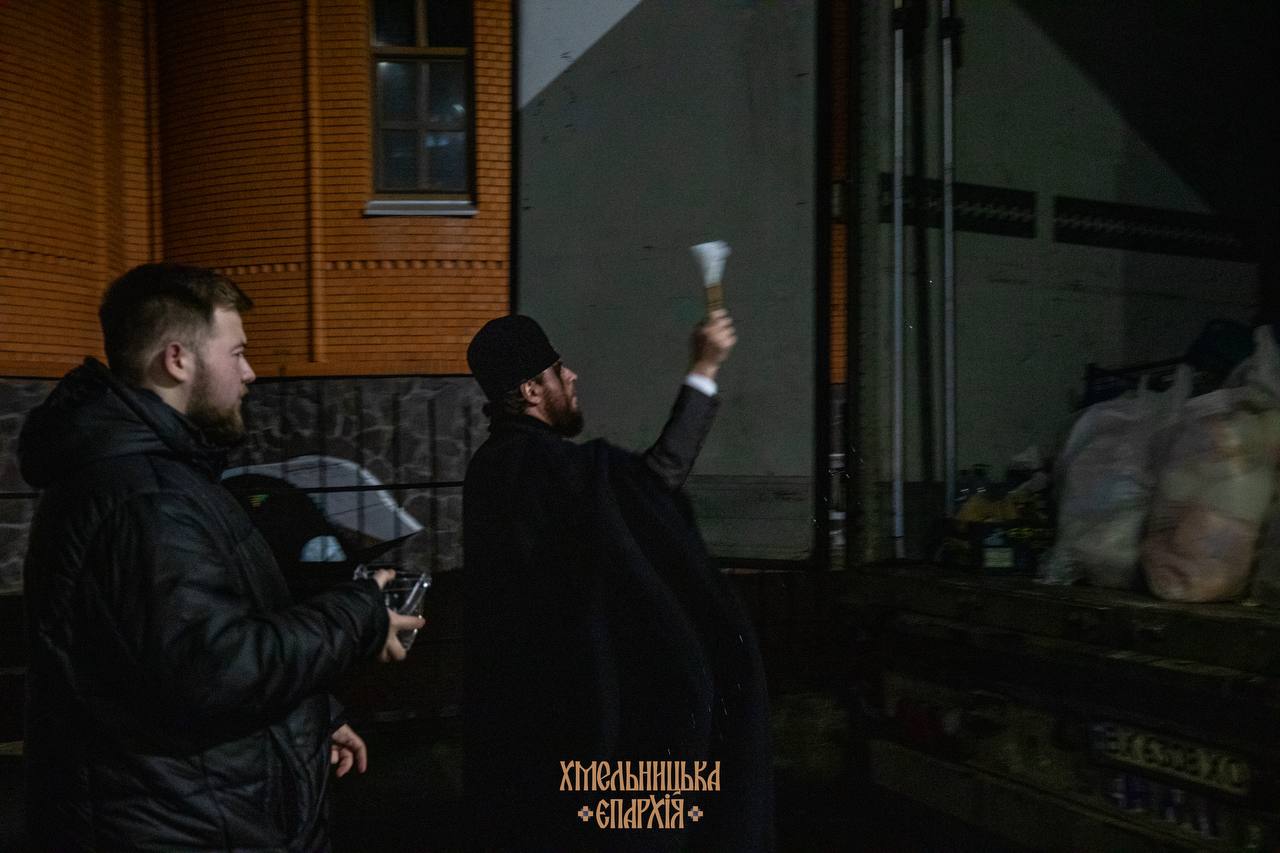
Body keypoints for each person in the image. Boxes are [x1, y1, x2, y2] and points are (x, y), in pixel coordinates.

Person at [19, 263, 424, 852]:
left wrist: (313, 716)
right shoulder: (148, 501)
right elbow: (215, 670)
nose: (250, 372)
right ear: (178, 360)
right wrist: (361, 615)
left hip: (193, 809)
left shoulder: (154, 480)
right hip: (180, 827)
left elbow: (183, 651)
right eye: (236, 352)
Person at [463, 311, 774, 852]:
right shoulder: (547, 467)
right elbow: (657, 478)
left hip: (520, 730)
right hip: (581, 722)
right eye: (559, 370)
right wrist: (704, 368)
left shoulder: (489, 468)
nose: (573, 376)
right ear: (532, 390)